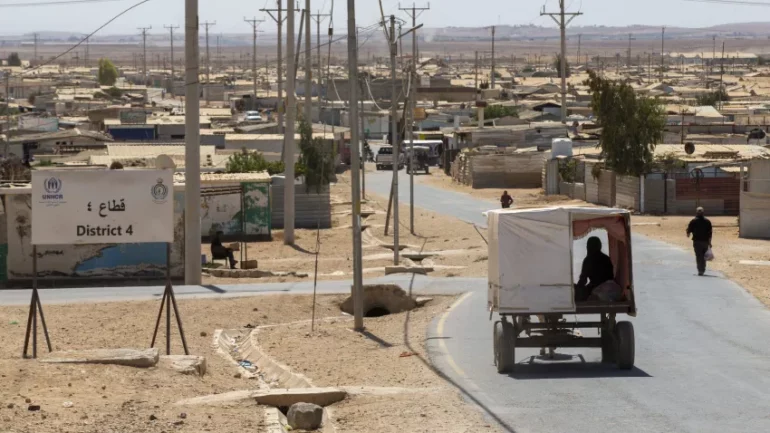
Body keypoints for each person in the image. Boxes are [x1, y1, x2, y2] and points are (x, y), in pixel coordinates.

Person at [575, 237, 615, 302]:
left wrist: (577, 288)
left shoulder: (588, 260)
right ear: (599, 246)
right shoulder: (606, 259)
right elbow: (611, 276)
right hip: (609, 289)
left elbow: (583, 280)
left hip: (595, 289)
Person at [687, 207, 713, 276]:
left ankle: (700, 270)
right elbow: (710, 233)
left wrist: (688, 233)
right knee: (704, 256)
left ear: (696, 212)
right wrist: (710, 242)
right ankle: (703, 269)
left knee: (699, 256)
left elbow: (689, 230)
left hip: (697, 242)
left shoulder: (693, 221)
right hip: (705, 242)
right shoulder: (707, 221)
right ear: (703, 213)